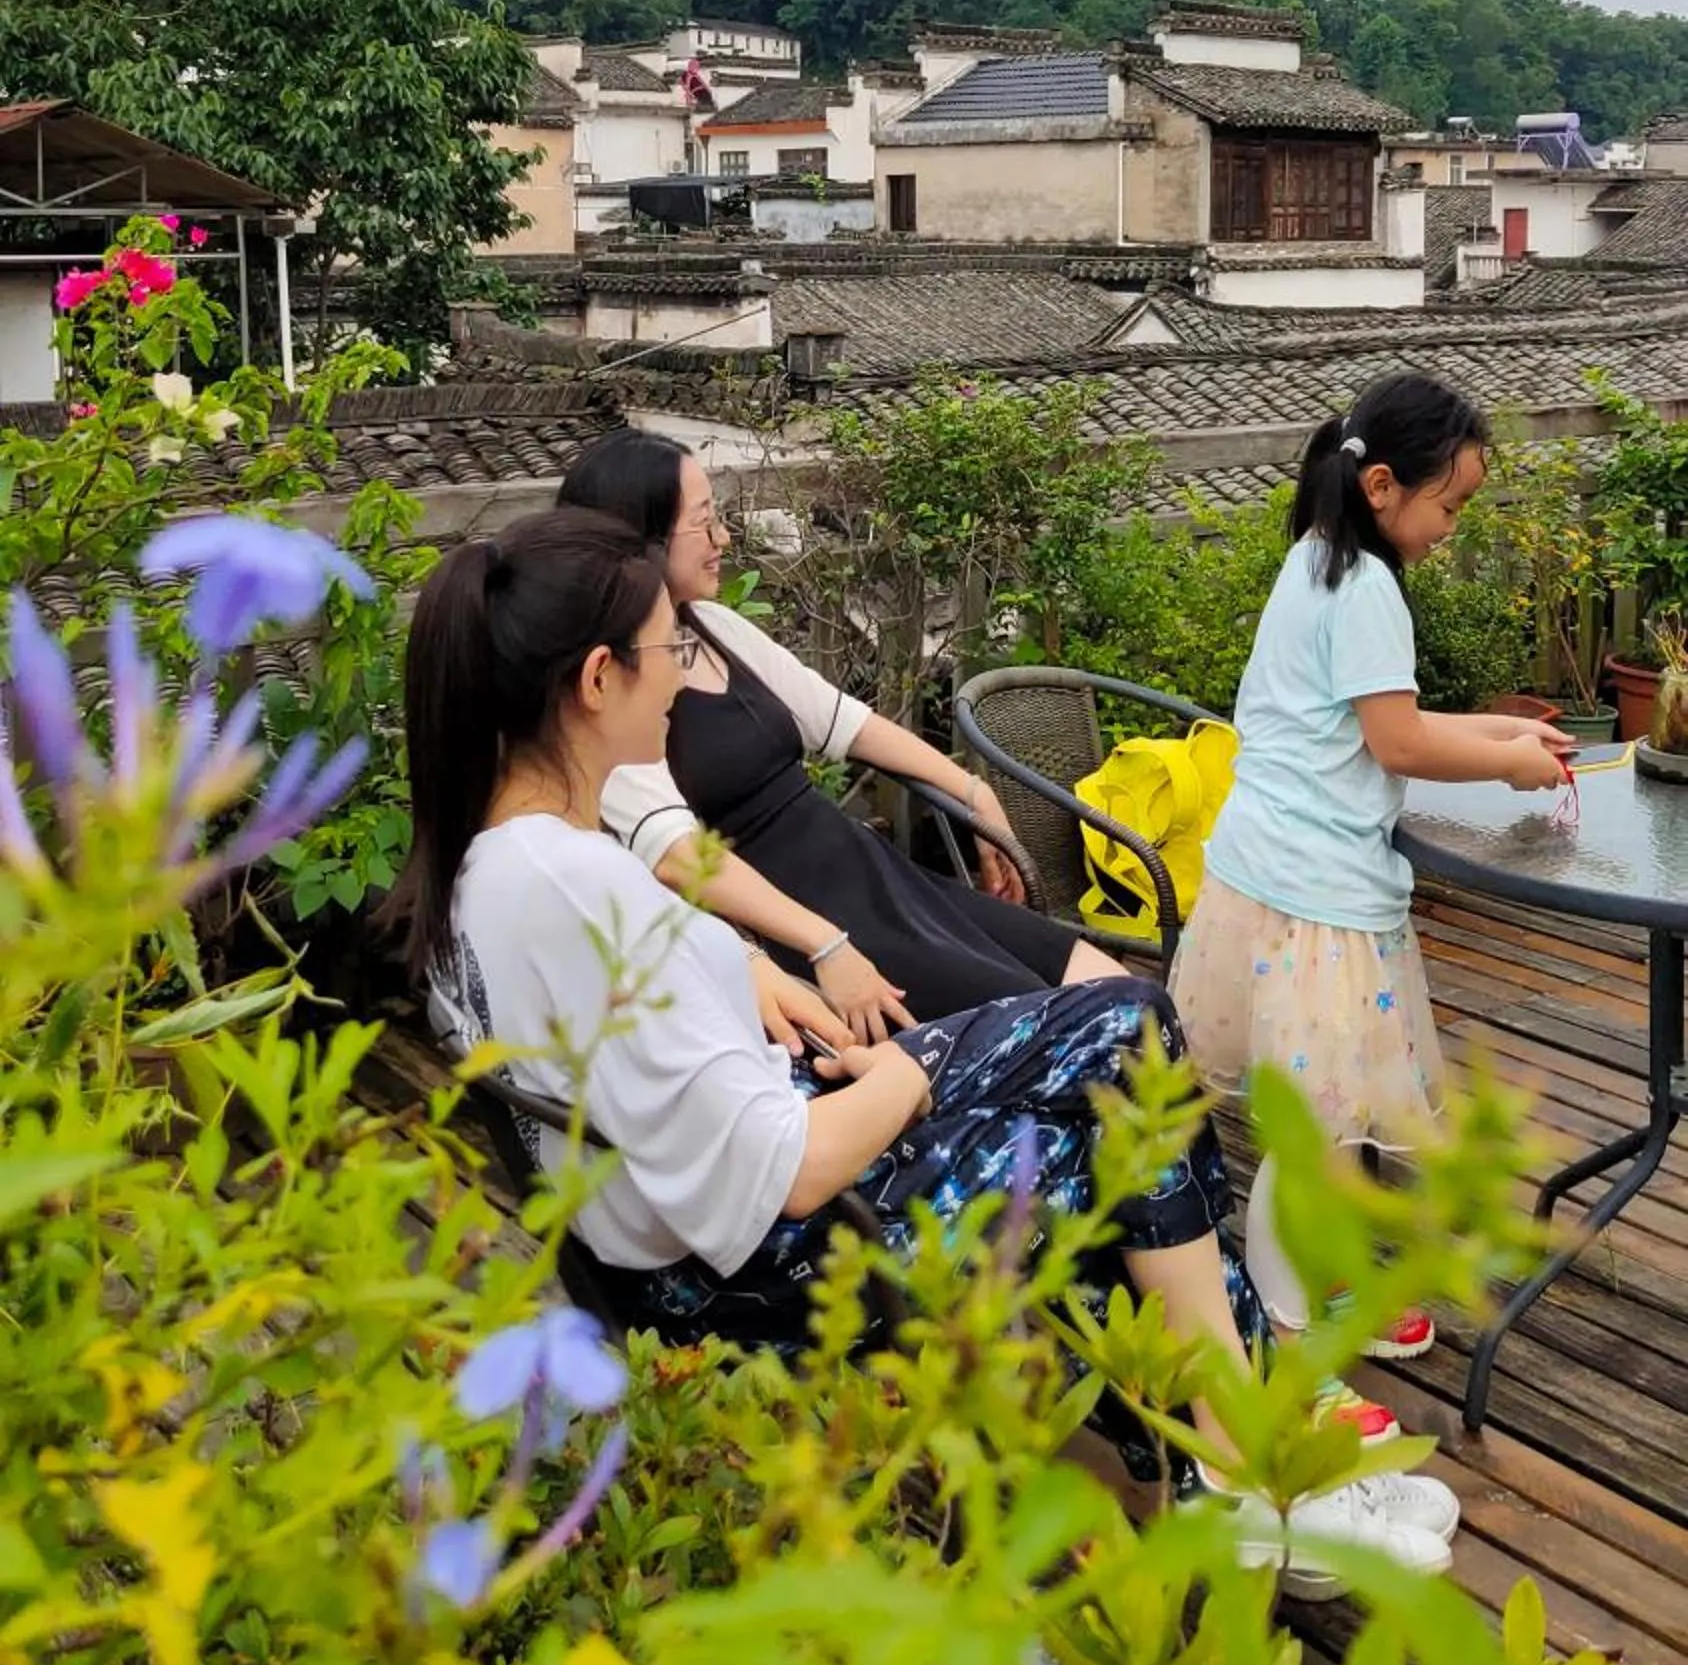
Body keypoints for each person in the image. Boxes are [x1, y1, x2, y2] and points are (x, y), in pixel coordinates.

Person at [386, 504, 1462, 1581]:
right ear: (595, 681)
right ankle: (1245, 1468)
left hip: (703, 1225)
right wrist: (903, 1072)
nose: (682, 674)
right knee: (1124, 1049)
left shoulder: (494, 866)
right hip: (770, 1263)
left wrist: (761, 987)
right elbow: (788, 1173)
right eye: (669, 649)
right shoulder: (577, 888)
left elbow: (668, 1076)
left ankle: (1242, 1470)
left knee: (1114, 1101)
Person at [1170, 372, 1570, 1362]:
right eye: (1451, 506)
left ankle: (1307, 1278)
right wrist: (1504, 763)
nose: (1452, 528)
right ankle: (1288, 1312)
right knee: (1313, 1124)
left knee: (1314, 1111)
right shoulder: (1366, 589)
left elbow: (1367, 722)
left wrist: (1496, 730)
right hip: (1318, 896)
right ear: (1384, 485)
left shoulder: (1315, 559)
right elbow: (1396, 745)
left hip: (1260, 873)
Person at [554, 431, 1139, 1038]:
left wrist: (973, 792)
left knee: (1125, 991)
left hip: (871, 875)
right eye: (705, 524)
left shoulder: (715, 627)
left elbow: (844, 721)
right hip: (801, 924)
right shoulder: (610, 692)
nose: (724, 538)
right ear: (640, 541)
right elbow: (675, 856)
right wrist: (825, 943)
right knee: (1102, 1035)